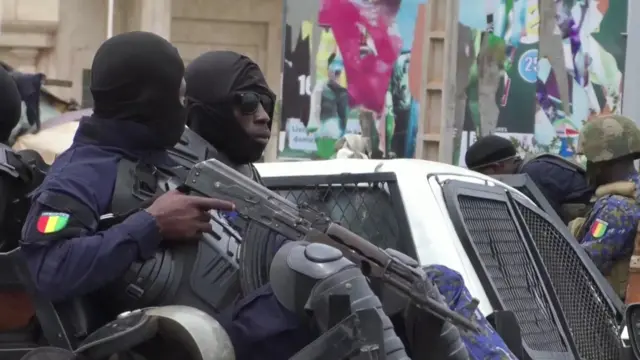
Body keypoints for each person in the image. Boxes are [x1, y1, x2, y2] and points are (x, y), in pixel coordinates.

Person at [19, 32, 235, 303]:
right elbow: (48, 269)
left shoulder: (167, 158)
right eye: (179, 95)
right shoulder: (77, 176)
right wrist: (151, 224)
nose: (184, 107)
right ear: (149, 100)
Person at [569, 115, 640, 301]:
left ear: (600, 162)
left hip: (614, 316)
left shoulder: (616, 208)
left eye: (589, 161)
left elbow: (581, 266)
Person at [464, 134, 593, 223]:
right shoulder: (531, 168)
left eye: (483, 174)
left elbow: (548, 228)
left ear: (498, 166)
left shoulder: (532, 175)